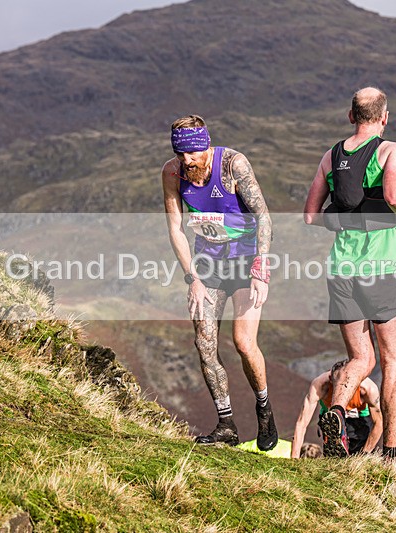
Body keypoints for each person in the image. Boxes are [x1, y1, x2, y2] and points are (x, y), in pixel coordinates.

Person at [303, 87, 396, 466]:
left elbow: (310, 216)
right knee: (392, 362)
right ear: (384, 117)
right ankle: (390, 453)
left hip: (342, 270)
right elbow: (392, 192)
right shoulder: (393, 150)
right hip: (384, 268)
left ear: (350, 115)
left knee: (360, 357)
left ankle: (335, 413)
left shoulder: (331, 155)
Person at [162, 115, 278, 450]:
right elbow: (175, 229)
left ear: (206, 145)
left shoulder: (233, 164)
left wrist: (261, 267)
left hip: (245, 260)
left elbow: (264, 217)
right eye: (181, 154)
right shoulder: (172, 172)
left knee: (243, 342)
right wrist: (192, 278)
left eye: (194, 153)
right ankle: (226, 424)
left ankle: (264, 407)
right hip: (208, 263)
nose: (188, 161)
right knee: (204, 342)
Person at [290, 359, 383, 458]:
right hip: (331, 418)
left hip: (359, 419)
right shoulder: (320, 385)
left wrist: (365, 454)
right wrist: (294, 457)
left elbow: (379, 422)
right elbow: (302, 423)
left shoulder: (367, 389)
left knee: (355, 452)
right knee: (334, 453)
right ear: (330, 379)